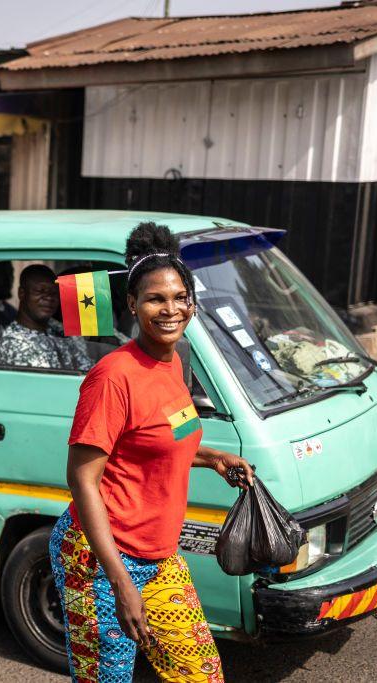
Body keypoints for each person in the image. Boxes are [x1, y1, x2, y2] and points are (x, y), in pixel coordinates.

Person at [50, 222, 254, 683]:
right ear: (131, 304)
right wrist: (120, 581)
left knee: (200, 674)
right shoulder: (112, 376)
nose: (171, 309)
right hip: (100, 560)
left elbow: (161, 440)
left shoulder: (175, 362)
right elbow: (82, 480)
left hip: (160, 556)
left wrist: (213, 458)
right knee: (109, 679)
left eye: (181, 297)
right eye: (155, 299)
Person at [0, 264, 91, 372]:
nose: (49, 298)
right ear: (22, 294)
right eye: (40, 291)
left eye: (54, 293)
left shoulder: (57, 331)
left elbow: (86, 366)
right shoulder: (13, 343)